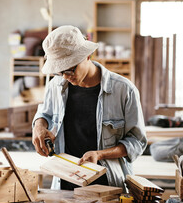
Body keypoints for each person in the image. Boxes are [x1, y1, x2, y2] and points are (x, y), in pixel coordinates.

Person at [32, 25, 147, 191]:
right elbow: (45, 114)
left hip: (109, 185)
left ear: (87, 55)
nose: (65, 77)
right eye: (60, 72)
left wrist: (100, 154)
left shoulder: (123, 90)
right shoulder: (55, 86)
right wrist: (39, 126)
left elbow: (137, 142)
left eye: (71, 69)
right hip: (65, 184)